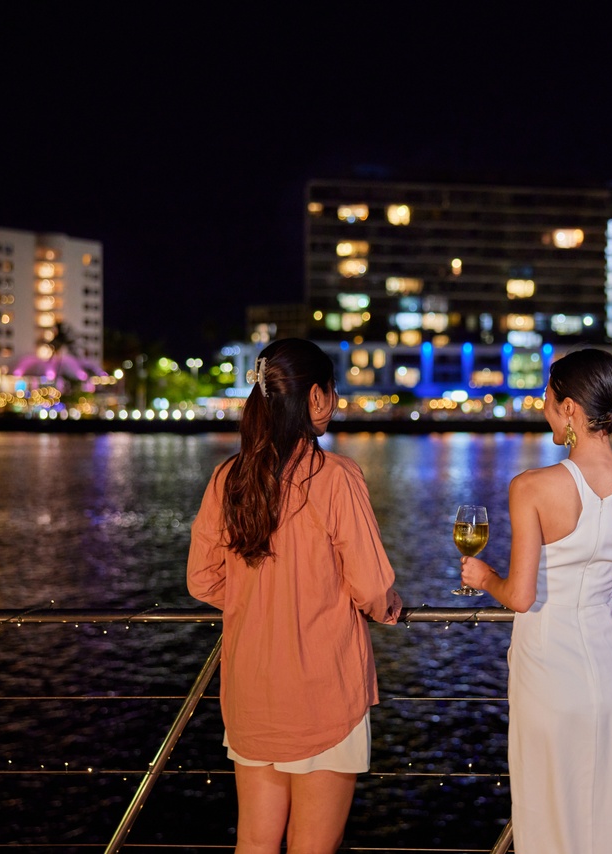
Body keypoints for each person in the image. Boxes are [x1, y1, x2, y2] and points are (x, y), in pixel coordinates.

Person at [187, 338, 403, 854]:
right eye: (331, 393)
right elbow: (372, 587)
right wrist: (384, 607)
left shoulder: (228, 478)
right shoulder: (335, 478)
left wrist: (258, 601)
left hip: (251, 691)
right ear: (317, 398)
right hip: (322, 692)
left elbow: (202, 580)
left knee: (255, 845)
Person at [459, 348, 612, 854]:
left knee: (549, 825)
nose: (543, 409)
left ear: (569, 408)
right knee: (608, 828)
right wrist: (599, 603)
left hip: (550, 678)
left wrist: (486, 578)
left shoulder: (532, 487)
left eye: (546, 400)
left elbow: (523, 596)